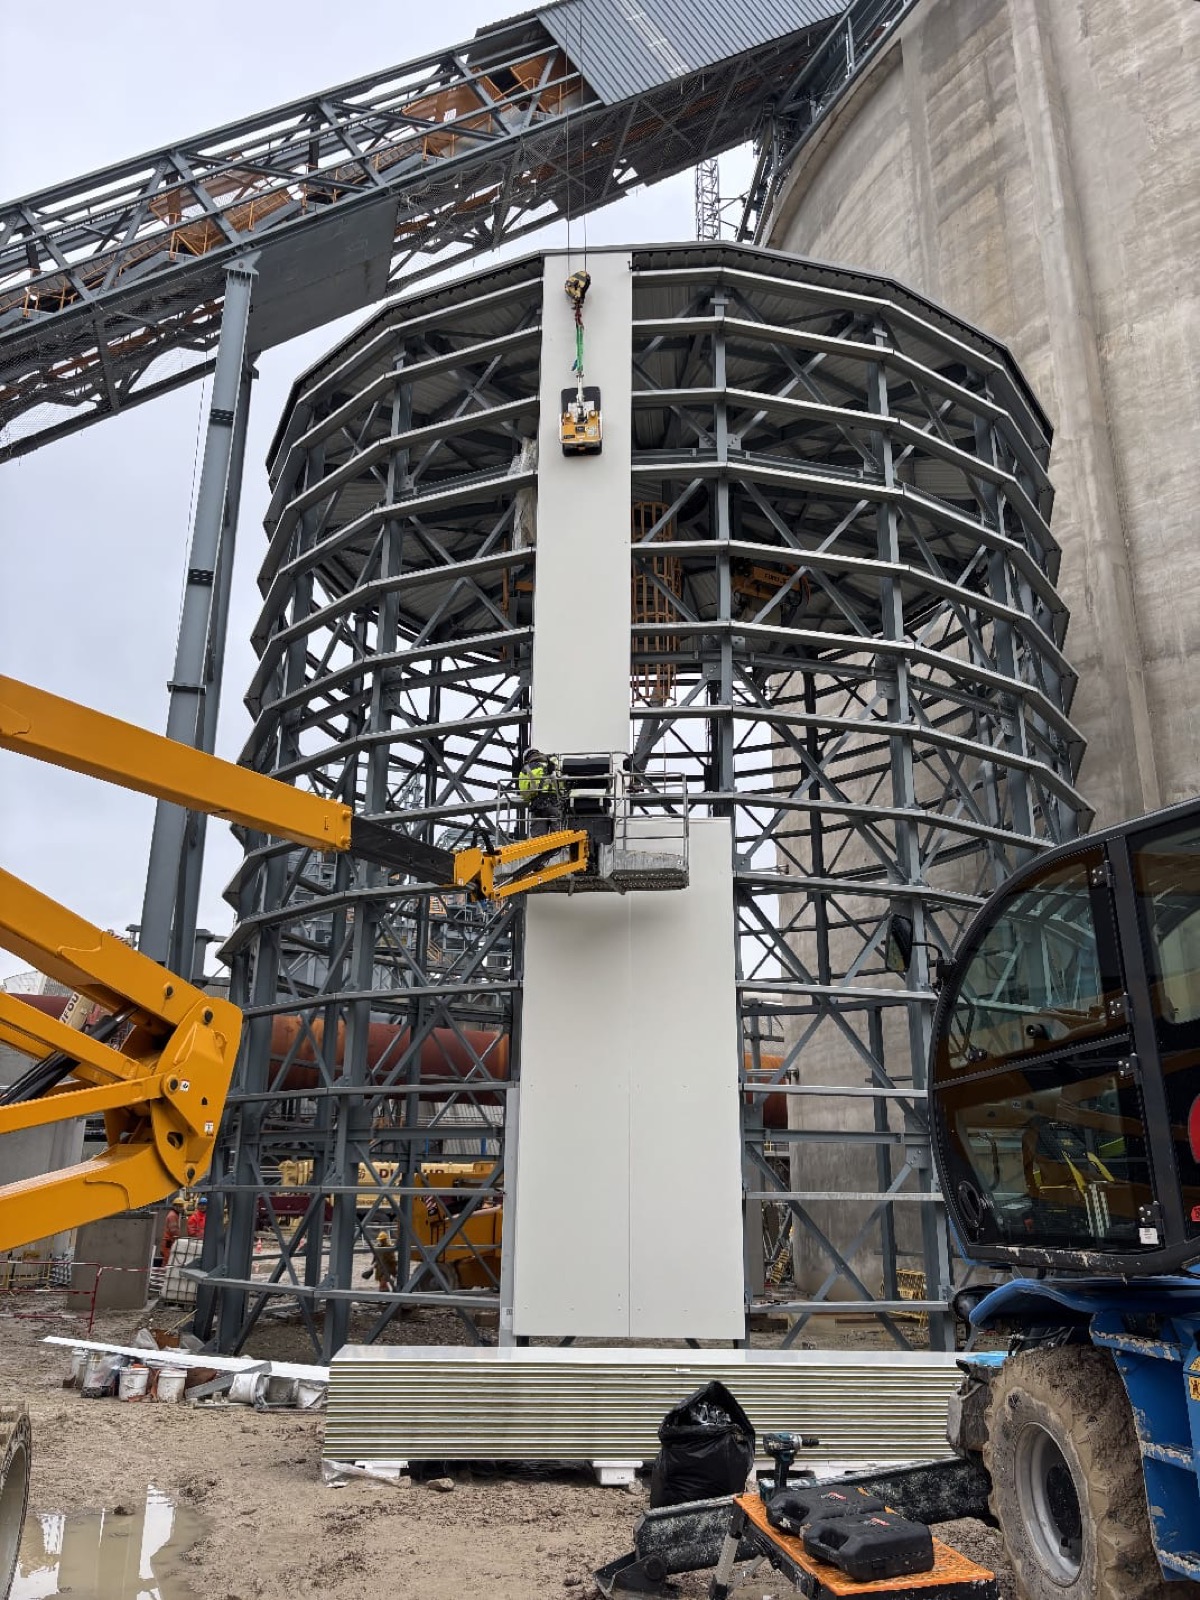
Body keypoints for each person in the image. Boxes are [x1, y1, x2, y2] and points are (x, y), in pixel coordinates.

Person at [517, 748, 564, 834]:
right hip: (556, 803)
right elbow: (562, 785)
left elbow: (525, 793)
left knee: (539, 840)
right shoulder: (554, 765)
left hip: (539, 806)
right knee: (558, 838)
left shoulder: (526, 769)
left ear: (527, 758)